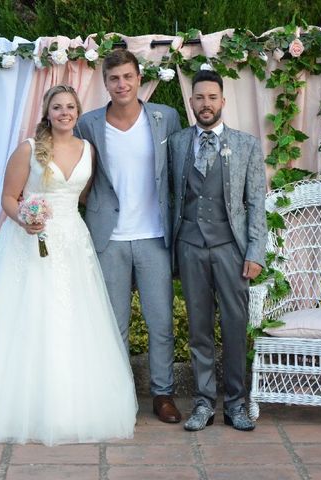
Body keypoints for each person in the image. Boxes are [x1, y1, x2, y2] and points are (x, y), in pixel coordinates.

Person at [0, 85, 137, 445]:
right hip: (27, 242)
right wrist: (25, 218)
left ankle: (72, 408)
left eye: (71, 107)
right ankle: (7, 408)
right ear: (47, 112)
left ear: (78, 111)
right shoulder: (28, 149)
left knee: (73, 319)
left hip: (73, 243)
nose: (65, 113)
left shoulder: (89, 150)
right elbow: (9, 198)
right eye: (58, 107)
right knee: (26, 318)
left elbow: (82, 196)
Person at [76, 49, 183, 424]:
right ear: (105, 83)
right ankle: (120, 396)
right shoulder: (88, 123)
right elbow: (78, 172)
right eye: (113, 79)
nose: (121, 84)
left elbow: (174, 175)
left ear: (140, 79)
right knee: (113, 323)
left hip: (154, 234)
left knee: (161, 321)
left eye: (127, 77)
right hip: (109, 237)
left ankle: (163, 394)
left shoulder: (165, 118)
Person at [168, 70, 267, 432]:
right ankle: (203, 403)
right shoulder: (178, 143)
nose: (205, 104)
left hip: (231, 248)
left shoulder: (246, 145)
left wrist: (255, 251)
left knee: (235, 326)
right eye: (199, 98)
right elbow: (172, 198)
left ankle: (237, 404)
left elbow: (257, 203)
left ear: (223, 101)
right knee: (199, 328)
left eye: (212, 98)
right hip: (191, 246)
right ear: (191, 101)